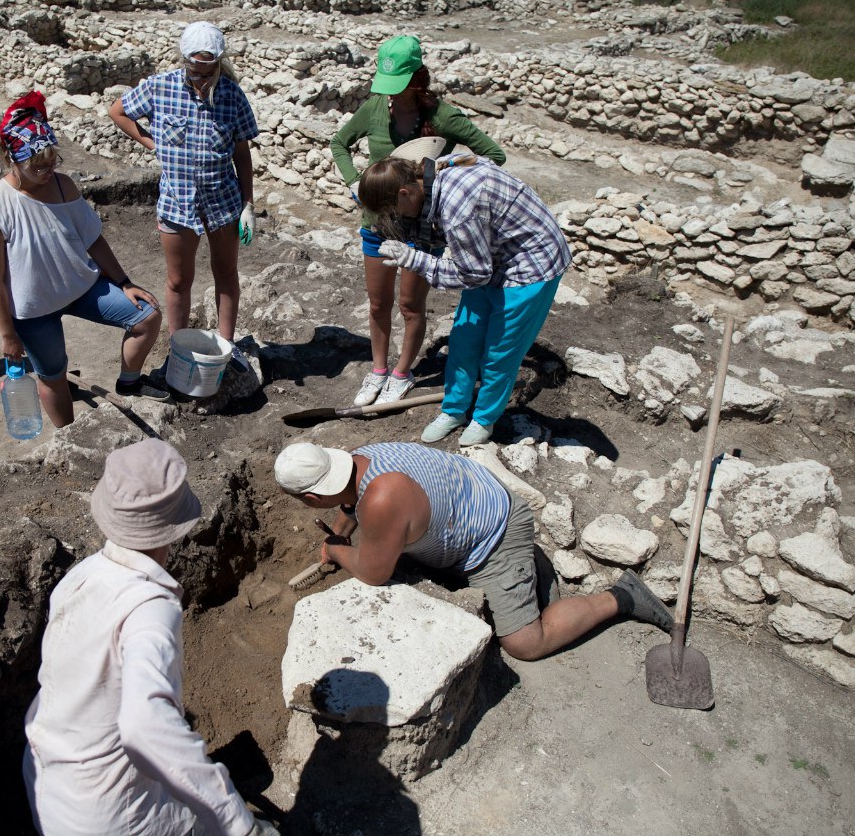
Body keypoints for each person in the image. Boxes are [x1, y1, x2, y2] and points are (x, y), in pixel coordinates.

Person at [23, 439, 276, 835]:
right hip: (113, 813)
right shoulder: (149, 607)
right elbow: (144, 725)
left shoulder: (81, 577)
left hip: (49, 782)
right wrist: (238, 825)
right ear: (173, 526)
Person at [274, 442, 673, 662]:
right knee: (404, 556)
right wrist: (343, 533)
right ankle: (530, 581)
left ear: (312, 497)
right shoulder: (362, 458)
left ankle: (622, 597)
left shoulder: (382, 501)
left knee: (524, 644)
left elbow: (374, 573)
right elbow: (349, 502)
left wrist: (337, 551)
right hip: (469, 504)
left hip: (495, 534)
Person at [329, 35, 508, 409]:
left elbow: (493, 155)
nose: (391, 96)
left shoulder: (442, 116)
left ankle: (402, 372)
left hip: (423, 229)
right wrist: (353, 182)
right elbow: (339, 143)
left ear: (416, 79)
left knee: (410, 305)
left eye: (399, 87)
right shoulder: (376, 108)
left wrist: (433, 169)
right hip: (378, 223)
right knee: (378, 304)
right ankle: (378, 369)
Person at [0, 91, 170, 429]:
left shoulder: (64, 186)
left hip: (81, 286)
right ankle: (70, 436)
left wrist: (124, 283)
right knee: (52, 375)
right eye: (38, 167)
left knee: (147, 317)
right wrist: (8, 335)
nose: (48, 171)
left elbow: (92, 238)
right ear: (12, 157)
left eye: (52, 163)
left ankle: (129, 381)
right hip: (33, 308)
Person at [359, 153, 569, 446]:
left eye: (392, 211)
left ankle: (484, 419)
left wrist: (413, 258)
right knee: (464, 339)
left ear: (405, 193)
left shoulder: (459, 209)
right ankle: (454, 410)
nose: (394, 220)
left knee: (500, 351)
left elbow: (473, 275)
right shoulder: (430, 175)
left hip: (530, 265)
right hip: (491, 254)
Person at [109, 21, 259, 373]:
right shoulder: (159, 87)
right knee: (178, 280)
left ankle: (226, 345)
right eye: (195, 71)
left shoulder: (232, 96)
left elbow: (242, 153)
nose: (202, 78)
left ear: (219, 64)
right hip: (177, 202)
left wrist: (248, 204)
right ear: (185, 61)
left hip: (222, 201)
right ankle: (179, 348)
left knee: (226, 273)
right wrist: (150, 142)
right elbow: (117, 111)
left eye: (209, 71)